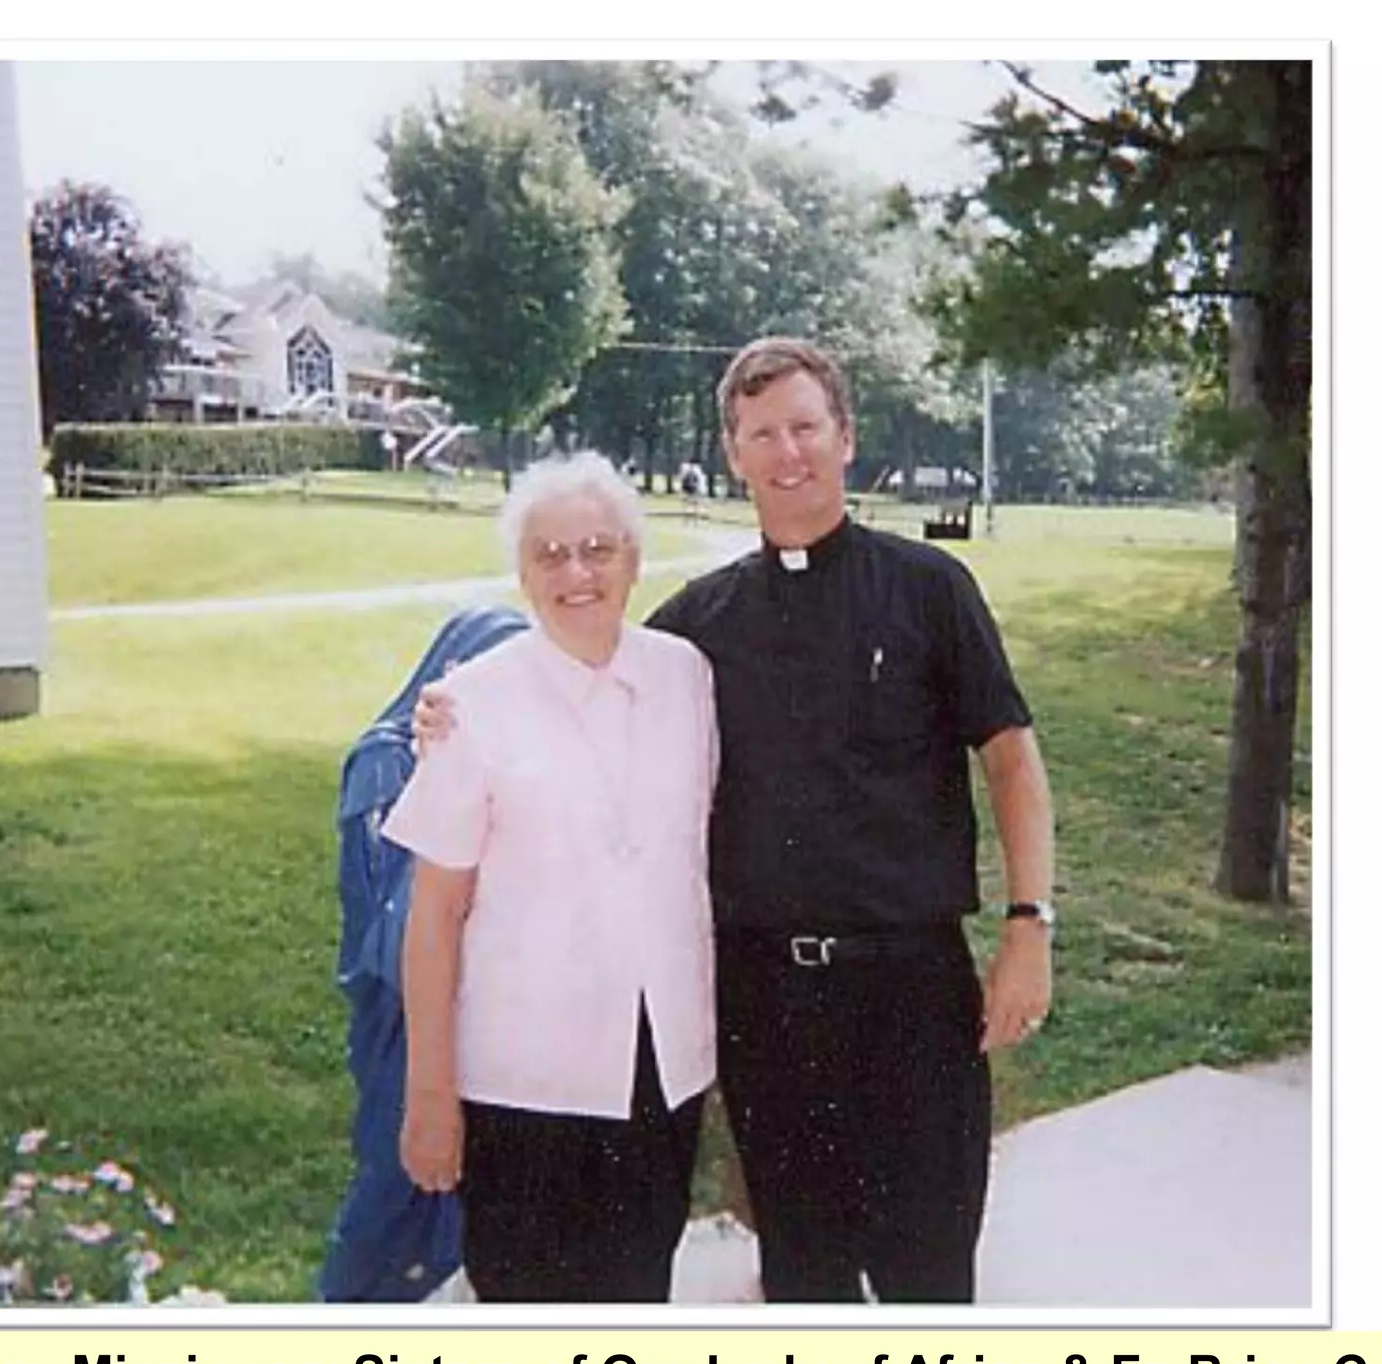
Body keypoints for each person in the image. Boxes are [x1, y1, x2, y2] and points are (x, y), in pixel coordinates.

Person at [419, 338, 1054, 1303]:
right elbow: (583, 648)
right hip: (767, 1009)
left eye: (806, 427)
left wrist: (1028, 927)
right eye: (764, 434)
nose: (787, 452)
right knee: (802, 1277)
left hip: (911, 993)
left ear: (845, 437)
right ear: (734, 454)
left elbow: (1011, 760)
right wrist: (441, 708)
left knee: (931, 1277)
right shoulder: (699, 629)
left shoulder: (931, 590)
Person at [381, 452, 720, 1302]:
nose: (577, 572)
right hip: (521, 1080)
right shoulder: (473, 702)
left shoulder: (686, 676)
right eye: (551, 555)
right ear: (522, 575)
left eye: (599, 549)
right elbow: (435, 915)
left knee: (636, 1305)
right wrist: (429, 1092)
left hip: (659, 1069)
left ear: (635, 561)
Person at [318, 604, 529, 1303]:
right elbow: (400, 921)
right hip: (404, 1012)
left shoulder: (507, 755)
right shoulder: (386, 762)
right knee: (397, 1180)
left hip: (489, 1019)